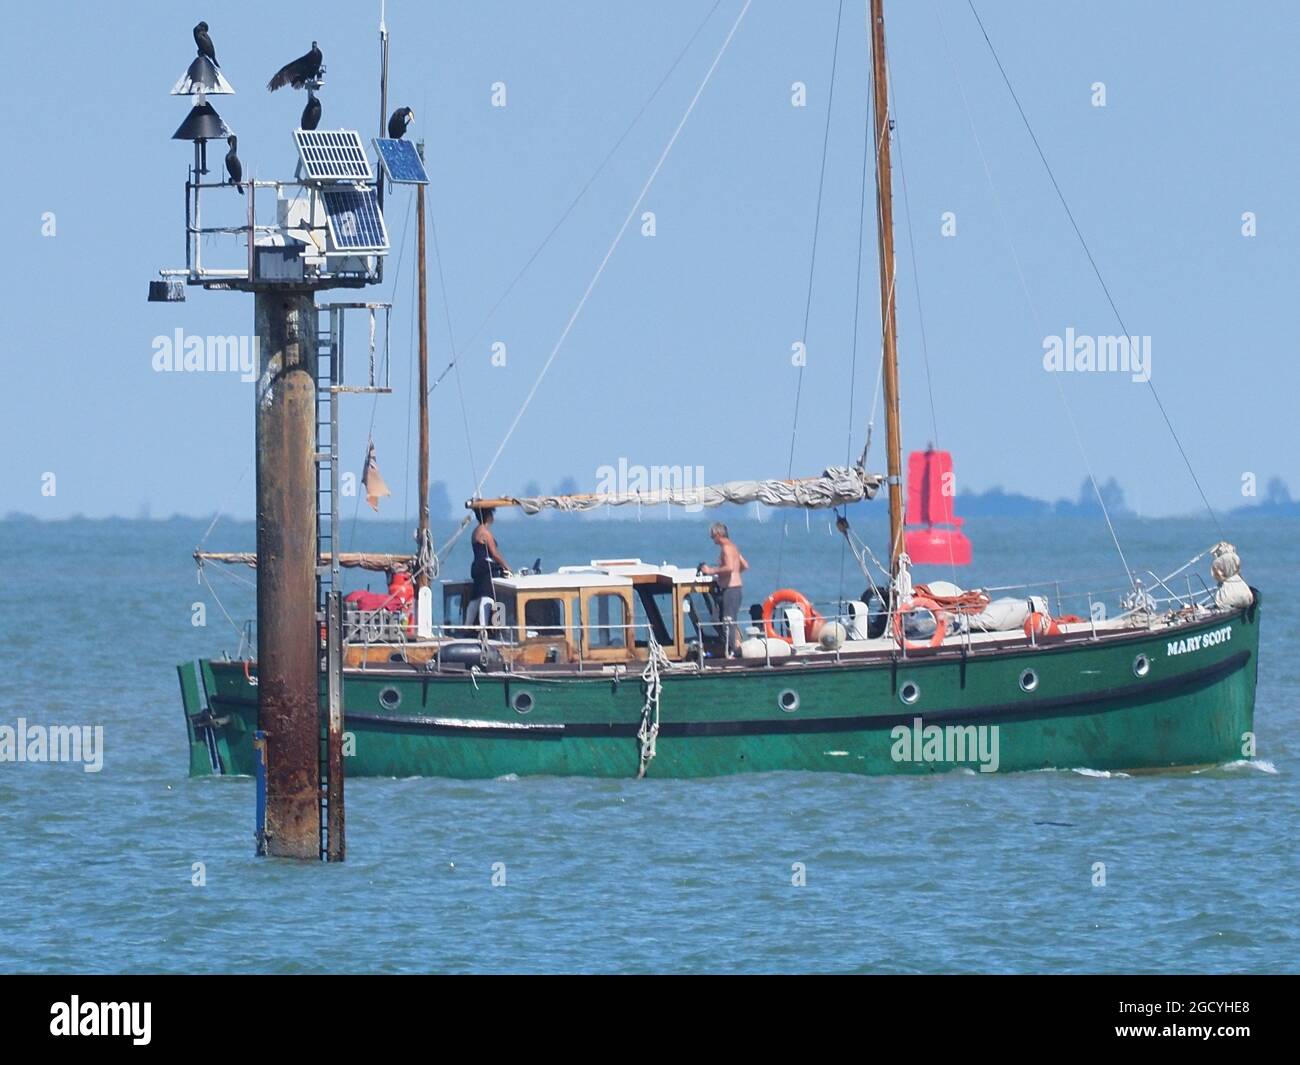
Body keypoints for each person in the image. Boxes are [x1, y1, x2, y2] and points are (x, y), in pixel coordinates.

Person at [698, 522, 748, 656]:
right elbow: (744, 565)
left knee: (728, 622)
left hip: (731, 590)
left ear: (718, 534)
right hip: (731, 588)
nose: (712, 539)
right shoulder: (733, 547)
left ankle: (734, 652)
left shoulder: (726, 548)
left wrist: (711, 570)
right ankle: (729, 646)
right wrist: (732, 574)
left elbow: (730, 568)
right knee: (716, 619)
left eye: (712, 536)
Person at [470, 508, 511, 623]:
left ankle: (467, 626)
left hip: (476, 566)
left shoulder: (475, 531)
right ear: (488, 517)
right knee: (487, 597)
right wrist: (506, 566)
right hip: (486, 568)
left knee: (476, 597)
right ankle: (484, 628)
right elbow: (495, 554)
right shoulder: (485, 533)